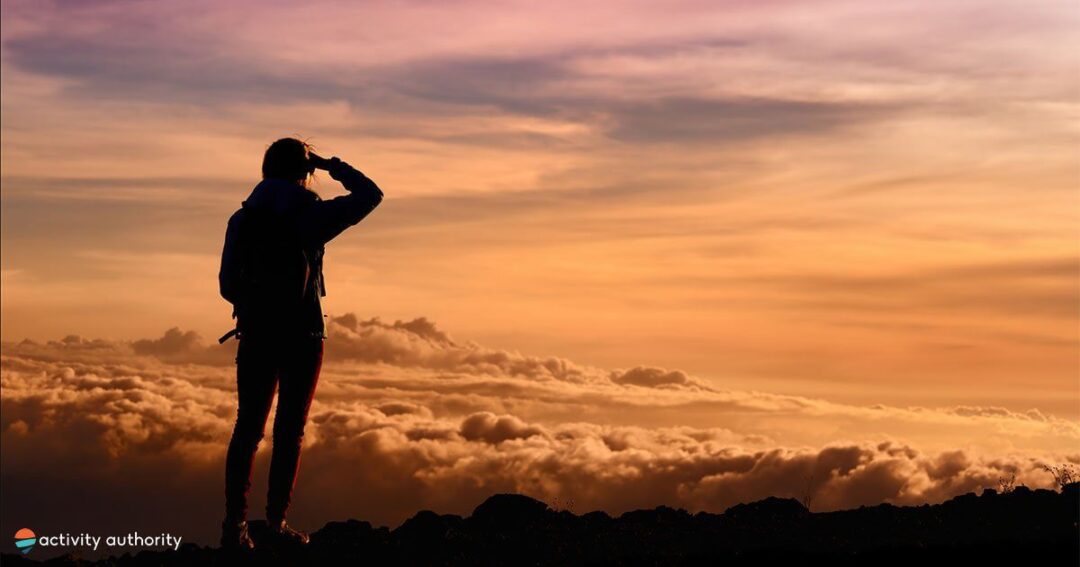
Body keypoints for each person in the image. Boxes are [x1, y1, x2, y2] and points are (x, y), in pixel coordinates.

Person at [217, 137, 383, 549]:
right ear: (304, 171)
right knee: (289, 432)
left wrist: (255, 304)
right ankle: (276, 525)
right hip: (303, 335)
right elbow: (370, 195)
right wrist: (331, 165)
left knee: (247, 429)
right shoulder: (312, 216)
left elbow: (227, 285)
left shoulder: (243, 219)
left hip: (257, 334)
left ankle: (235, 526)